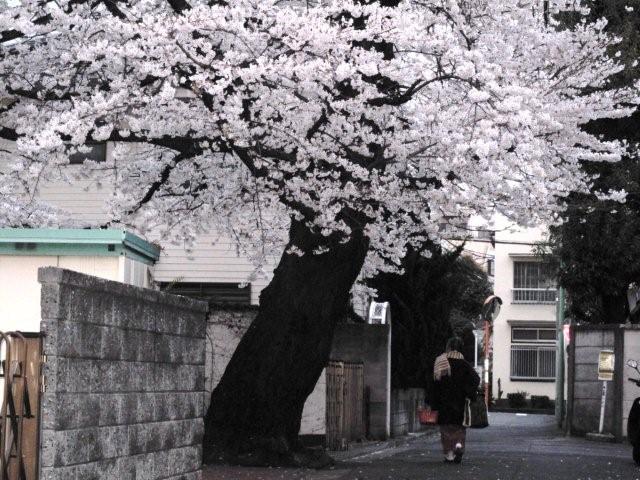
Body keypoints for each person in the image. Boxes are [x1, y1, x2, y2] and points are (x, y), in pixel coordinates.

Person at [430, 336, 480, 464]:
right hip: (460, 401)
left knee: (446, 428)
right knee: (459, 426)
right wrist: (469, 393)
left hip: (444, 401)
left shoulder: (441, 361)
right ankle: (459, 445)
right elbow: (475, 379)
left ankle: (449, 454)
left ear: (449, 347)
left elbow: (434, 382)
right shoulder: (465, 364)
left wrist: (432, 400)